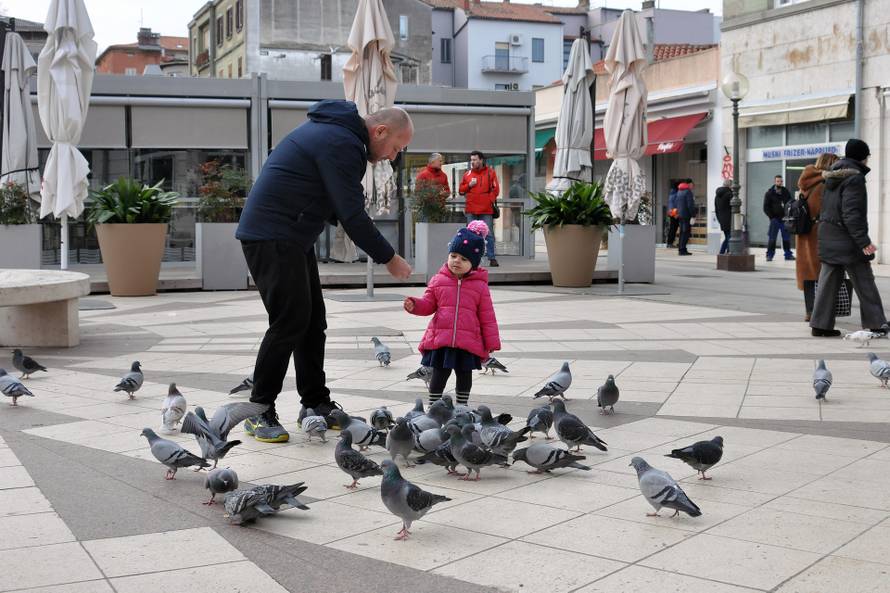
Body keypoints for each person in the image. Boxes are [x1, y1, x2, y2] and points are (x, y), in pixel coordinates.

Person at [235, 99, 414, 442]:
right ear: (380, 131)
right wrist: (387, 256)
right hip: (271, 236)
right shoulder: (342, 141)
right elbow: (349, 212)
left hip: (290, 236)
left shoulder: (338, 136)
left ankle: (315, 403)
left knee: (312, 322)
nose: (393, 156)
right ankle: (258, 410)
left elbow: (333, 199)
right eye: (395, 147)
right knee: (289, 322)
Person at [403, 220, 501, 406]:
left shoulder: (480, 286)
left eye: (464, 259)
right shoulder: (438, 280)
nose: (457, 261)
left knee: (464, 374)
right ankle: (434, 404)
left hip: (467, 340)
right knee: (439, 373)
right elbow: (428, 304)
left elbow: (487, 316)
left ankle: (462, 406)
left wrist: (491, 342)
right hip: (442, 339)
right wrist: (415, 305)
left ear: (473, 264)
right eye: (454, 255)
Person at [811, 139, 888, 337]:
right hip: (848, 242)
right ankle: (877, 323)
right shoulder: (854, 178)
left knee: (828, 282)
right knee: (865, 281)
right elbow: (851, 215)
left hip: (828, 236)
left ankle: (820, 325)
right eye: (867, 156)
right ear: (862, 157)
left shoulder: (832, 176)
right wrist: (865, 244)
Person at [796, 153, 839, 322]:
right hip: (820, 233)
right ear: (829, 164)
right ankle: (821, 312)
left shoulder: (805, 183)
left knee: (808, 273)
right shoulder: (824, 185)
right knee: (823, 274)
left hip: (805, 232)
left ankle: (810, 310)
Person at [459, 151, 500, 266]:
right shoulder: (467, 174)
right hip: (471, 209)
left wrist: (489, 200)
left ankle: (492, 257)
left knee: (488, 234)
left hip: (486, 209)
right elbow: (461, 190)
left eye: (475, 160)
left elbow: (496, 190)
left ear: (481, 160)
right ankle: (471, 258)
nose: (473, 162)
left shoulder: (491, 173)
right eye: (471, 160)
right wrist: (469, 185)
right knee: (471, 235)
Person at [763, 175, 795, 261]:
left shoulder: (785, 192)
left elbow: (790, 203)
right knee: (772, 238)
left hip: (784, 219)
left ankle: (788, 255)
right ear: (775, 182)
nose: (779, 183)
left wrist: (789, 215)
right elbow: (766, 207)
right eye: (778, 181)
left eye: (781, 181)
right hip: (775, 220)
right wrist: (772, 217)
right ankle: (769, 255)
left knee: (786, 238)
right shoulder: (769, 193)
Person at [676, 179, 696, 256]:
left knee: (682, 232)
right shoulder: (688, 192)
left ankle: (681, 249)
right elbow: (690, 205)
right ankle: (683, 250)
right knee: (686, 232)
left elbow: (677, 203)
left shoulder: (679, 191)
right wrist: (693, 215)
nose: (692, 186)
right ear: (689, 184)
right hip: (687, 215)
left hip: (680, 215)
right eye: (692, 184)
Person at [714, 178, 733, 254]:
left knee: (727, 236)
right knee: (730, 237)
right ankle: (729, 252)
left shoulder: (717, 196)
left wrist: (719, 219)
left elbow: (716, 209)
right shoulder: (730, 194)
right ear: (730, 186)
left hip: (722, 219)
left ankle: (721, 252)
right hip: (730, 219)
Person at [665, 180, 680, 247]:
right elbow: (673, 205)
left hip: (672, 213)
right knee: (673, 229)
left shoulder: (672, 193)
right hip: (674, 213)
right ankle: (670, 243)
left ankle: (670, 243)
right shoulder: (675, 194)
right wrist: (675, 214)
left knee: (673, 228)